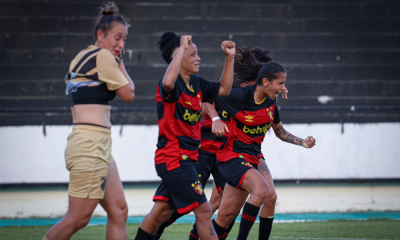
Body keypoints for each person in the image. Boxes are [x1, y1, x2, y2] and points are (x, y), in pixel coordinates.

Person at [42, 3, 135, 240]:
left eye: (124, 39)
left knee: (119, 210)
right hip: (90, 144)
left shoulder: (81, 57)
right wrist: (119, 61)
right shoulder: (103, 56)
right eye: (117, 38)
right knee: (79, 218)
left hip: (93, 143)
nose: (121, 45)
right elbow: (129, 94)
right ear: (100, 35)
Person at [133, 32, 235, 240]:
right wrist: (181, 48)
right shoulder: (169, 84)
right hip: (174, 159)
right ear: (178, 56)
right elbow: (168, 83)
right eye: (193, 54)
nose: (198, 58)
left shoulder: (196, 84)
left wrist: (229, 57)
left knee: (159, 214)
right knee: (205, 211)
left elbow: (224, 88)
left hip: (187, 159)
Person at [210, 60, 316, 240]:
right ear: (266, 82)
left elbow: (279, 132)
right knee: (261, 190)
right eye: (280, 83)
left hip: (252, 158)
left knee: (226, 216)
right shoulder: (240, 96)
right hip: (231, 156)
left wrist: (302, 142)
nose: (284, 88)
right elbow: (208, 97)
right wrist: (215, 119)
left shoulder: (271, 104)